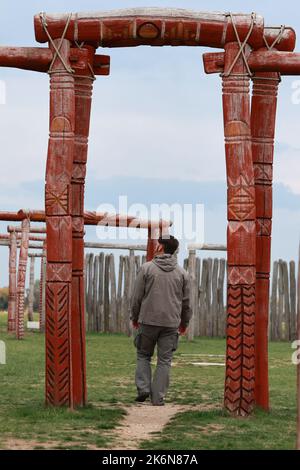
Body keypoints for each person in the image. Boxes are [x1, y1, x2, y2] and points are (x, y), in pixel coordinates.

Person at [130, 235, 192, 406]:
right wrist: (184, 324)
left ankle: (143, 389)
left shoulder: (146, 269)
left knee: (143, 355)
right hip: (171, 323)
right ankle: (158, 398)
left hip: (147, 321)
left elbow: (137, 298)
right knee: (165, 360)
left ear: (160, 247)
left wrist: (135, 318)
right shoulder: (183, 273)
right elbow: (187, 303)